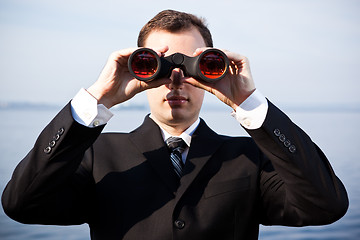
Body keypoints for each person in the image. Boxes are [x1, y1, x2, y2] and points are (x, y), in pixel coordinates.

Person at [1, 9, 348, 240]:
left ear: (217, 68)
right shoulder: (97, 153)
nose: (176, 80)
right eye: (158, 66)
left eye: (200, 66)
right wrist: (97, 99)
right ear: (137, 68)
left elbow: (325, 206)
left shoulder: (249, 156)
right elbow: (22, 204)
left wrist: (250, 105)